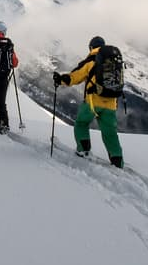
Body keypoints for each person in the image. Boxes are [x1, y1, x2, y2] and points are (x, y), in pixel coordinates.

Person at [53, 36, 124, 168]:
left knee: (81, 123)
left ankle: (83, 150)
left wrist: (60, 79)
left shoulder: (90, 61)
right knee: (110, 132)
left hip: (93, 101)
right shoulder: (113, 61)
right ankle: (117, 160)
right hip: (111, 103)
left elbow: (74, 77)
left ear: (91, 47)